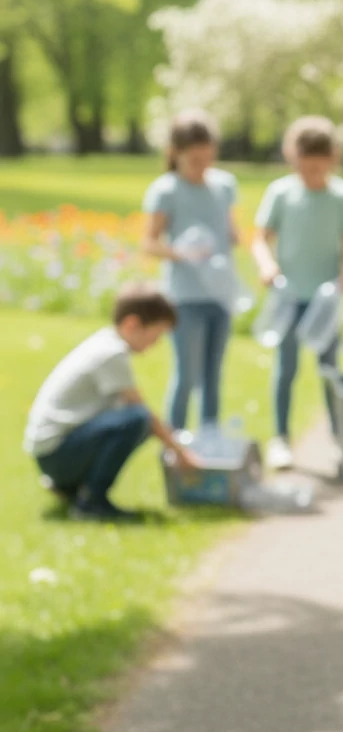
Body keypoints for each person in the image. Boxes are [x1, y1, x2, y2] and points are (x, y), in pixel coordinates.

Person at [23, 283, 201, 521]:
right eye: (156, 334)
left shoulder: (105, 342)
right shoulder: (111, 353)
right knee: (137, 420)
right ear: (132, 324)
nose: (155, 343)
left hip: (52, 451)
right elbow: (142, 412)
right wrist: (181, 452)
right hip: (56, 454)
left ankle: (74, 489)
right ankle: (92, 502)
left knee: (136, 422)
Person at [251, 116, 343, 469]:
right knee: (285, 369)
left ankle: (338, 440)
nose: (313, 175)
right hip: (288, 297)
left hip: (325, 300)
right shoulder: (281, 193)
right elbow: (259, 239)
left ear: (332, 160)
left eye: (319, 168)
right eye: (305, 168)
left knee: (329, 370)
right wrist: (267, 266)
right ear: (292, 159)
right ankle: (281, 438)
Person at [141, 109, 241, 431]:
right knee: (186, 377)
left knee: (214, 376)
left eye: (207, 158)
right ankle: (178, 445)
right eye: (194, 160)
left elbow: (232, 233)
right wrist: (182, 253)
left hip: (220, 294)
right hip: (184, 298)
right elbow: (149, 243)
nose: (202, 166)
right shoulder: (166, 190)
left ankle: (210, 439)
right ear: (176, 154)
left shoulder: (224, 185)